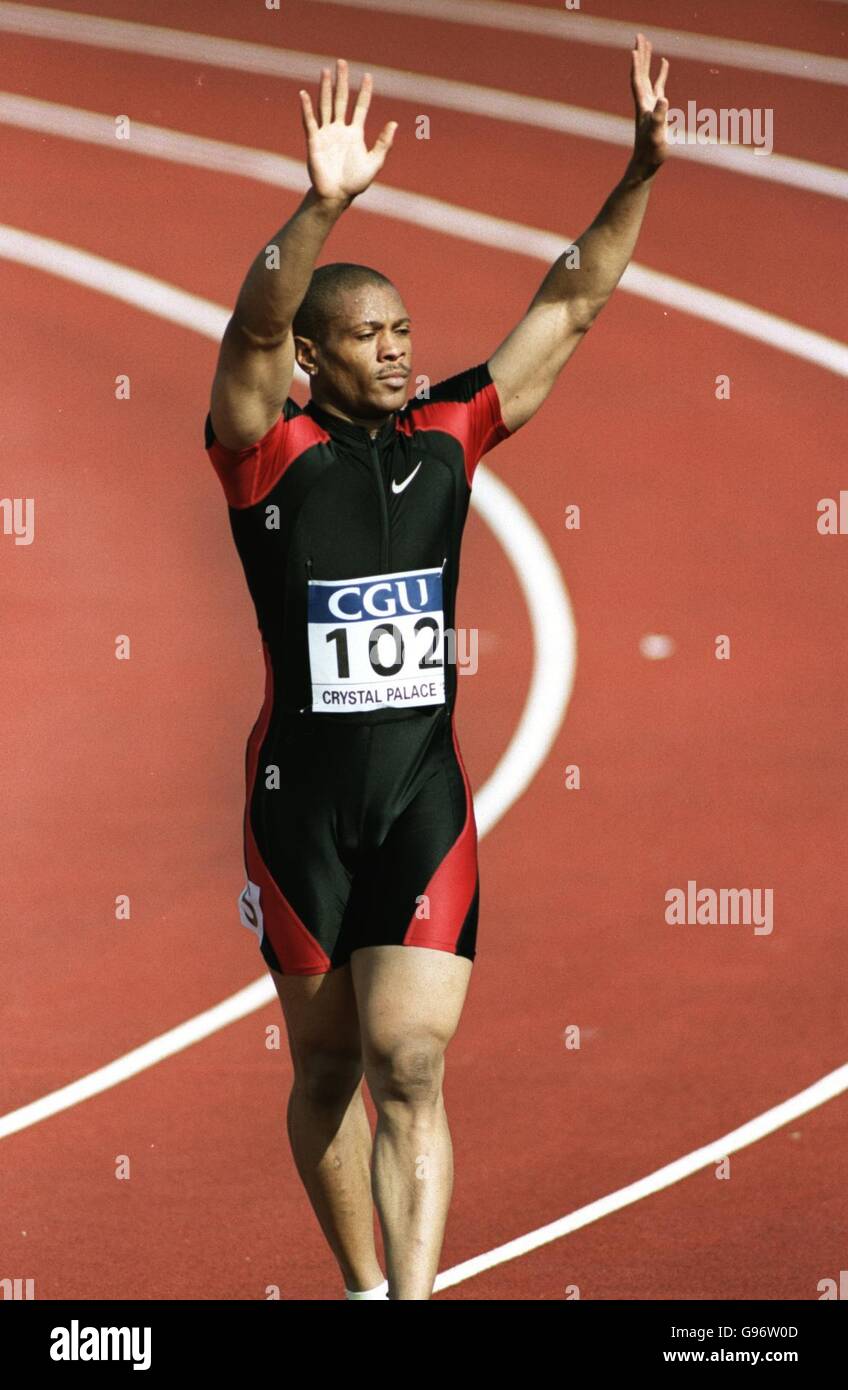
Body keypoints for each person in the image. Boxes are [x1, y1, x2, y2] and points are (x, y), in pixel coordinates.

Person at [204, 39, 669, 1301]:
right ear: (315, 358)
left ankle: (410, 1303)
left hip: (418, 797)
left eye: (407, 330)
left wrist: (635, 173)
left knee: (410, 1065)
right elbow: (253, 322)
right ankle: (361, 1282)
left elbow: (569, 306)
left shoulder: (451, 439)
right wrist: (322, 206)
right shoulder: (263, 448)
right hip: (297, 811)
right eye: (367, 336)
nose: (401, 352)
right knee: (322, 1074)